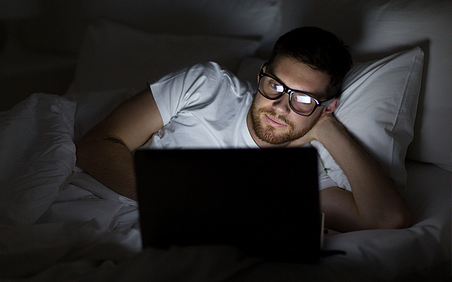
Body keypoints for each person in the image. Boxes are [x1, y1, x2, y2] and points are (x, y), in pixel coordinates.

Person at [76, 26, 410, 232]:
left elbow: (386, 219)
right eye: (275, 86)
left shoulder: (302, 172)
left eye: (303, 100)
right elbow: (95, 147)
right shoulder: (205, 85)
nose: (280, 107)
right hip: (88, 205)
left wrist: (328, 131)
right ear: (262, 74)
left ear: (328, 107)